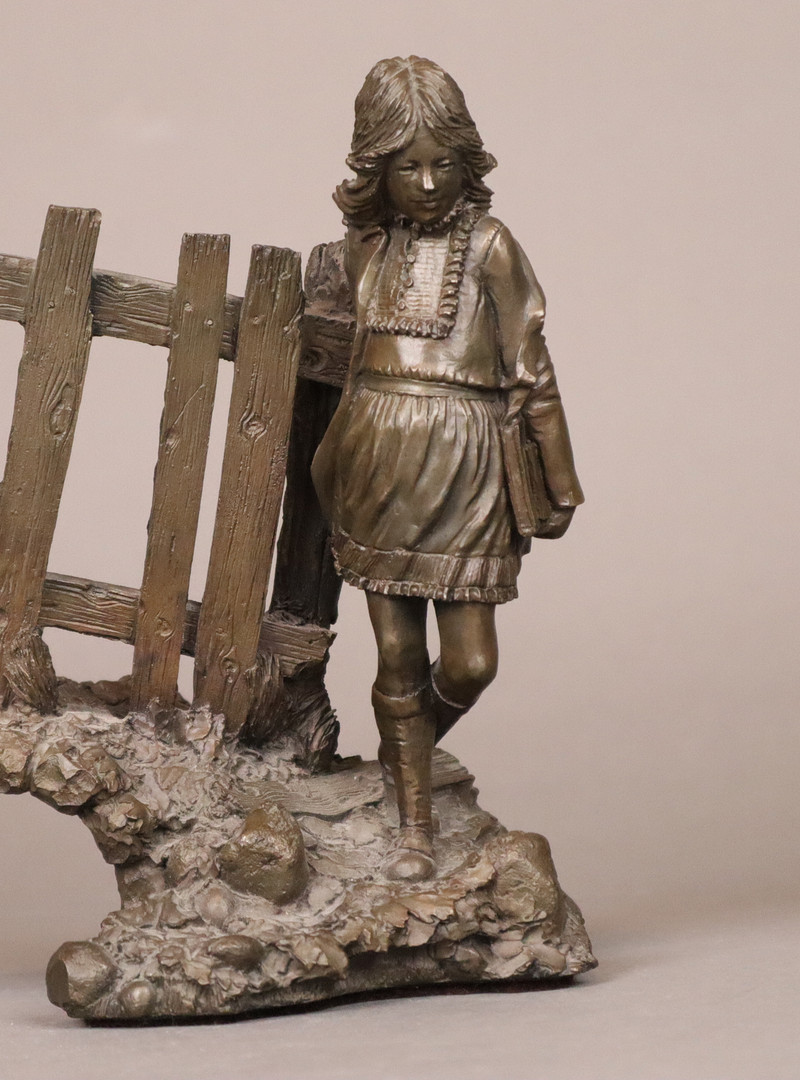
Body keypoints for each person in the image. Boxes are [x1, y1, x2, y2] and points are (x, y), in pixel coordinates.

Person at [312, 56, 584, 882]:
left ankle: (402, 755)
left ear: (469, 162)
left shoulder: (493, 246)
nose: (428, 184)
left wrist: (560, 477)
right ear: (377, 168)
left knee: (470, 663)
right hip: (378, 454)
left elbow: (532, 369)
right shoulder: (359, 250)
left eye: (443, 164)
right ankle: (414, 824)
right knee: (396, 655)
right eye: (407, 167)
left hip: (468, 463)